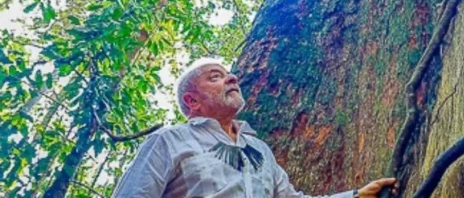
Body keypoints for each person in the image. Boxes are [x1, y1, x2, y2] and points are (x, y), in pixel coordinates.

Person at [113, 60, 398, 198]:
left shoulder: (258, 149)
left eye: (229, 74)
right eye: (216, 77)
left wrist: (355, 196)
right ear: (192, 101)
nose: (232, 78)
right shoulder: (169, 141)